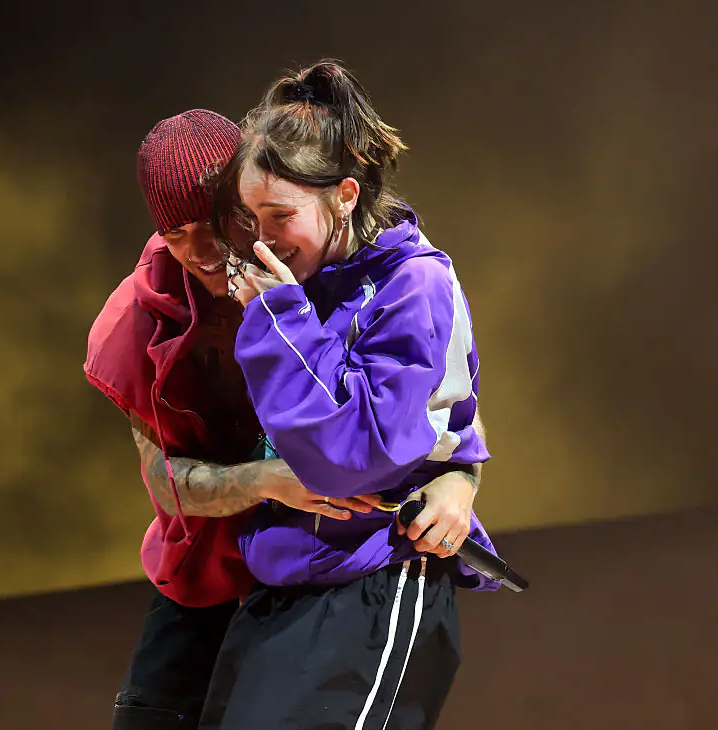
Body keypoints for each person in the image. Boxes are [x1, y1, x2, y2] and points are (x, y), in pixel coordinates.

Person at [83, 109, 489, 729]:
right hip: (214, 563)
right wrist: (269, 481)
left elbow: (433, 395)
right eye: (177, 232)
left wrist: (461, 479)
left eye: (219, 221)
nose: (204, 251)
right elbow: (164, 480)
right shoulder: (135, 322)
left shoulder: (319, 272)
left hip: (326, 562)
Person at [198, 61, 501, 730]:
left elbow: (352, 455)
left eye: (280, 215)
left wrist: (277, 317)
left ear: (344, 195)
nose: (263, 238)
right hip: (285, 581)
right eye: (252, 217)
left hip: (377, 582)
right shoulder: (304, 283)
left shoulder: (413, 285)